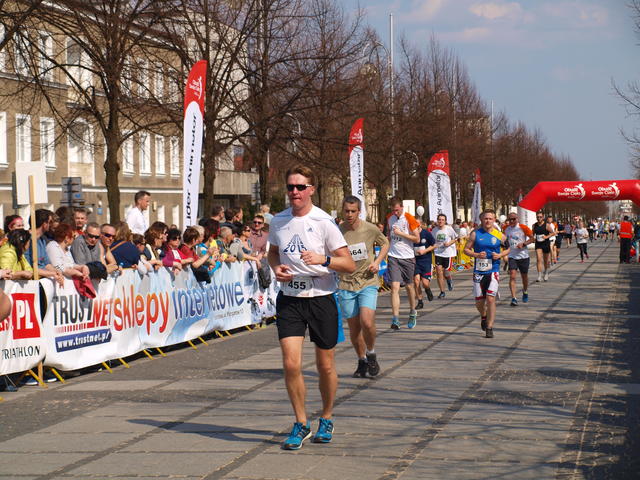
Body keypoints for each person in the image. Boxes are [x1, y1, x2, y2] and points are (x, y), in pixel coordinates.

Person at [267, 165, 355, 450]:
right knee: (291, 364)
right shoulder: (278, 221)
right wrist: (276, 268)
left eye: (300, 187)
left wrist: (323, 260)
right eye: (290, 187)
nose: (294, 192)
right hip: (290, 299)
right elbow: (272, 253)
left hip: (321, 298)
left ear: (311, 190)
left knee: (325, 366)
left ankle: (326, 417)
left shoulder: (324, 221)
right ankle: (301, 423)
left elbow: (349, 264)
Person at [337, 195, 389, 378]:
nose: (349, 214)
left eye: (353, 211)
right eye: (346, 211)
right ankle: (361, 360)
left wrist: (377, 262)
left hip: (367, 281)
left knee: (366, 321)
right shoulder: (338, 231)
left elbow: (385, 243)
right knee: (354, 328)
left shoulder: (370, 229)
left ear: (359, 211)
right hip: (346, 283)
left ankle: (371, 353)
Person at [464, 210, 509, 338]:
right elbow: (466, 250)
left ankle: (489, 326)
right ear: (482, 220)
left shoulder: (499, 235)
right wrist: (476, 254)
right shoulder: (475, 234)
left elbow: (509, 248)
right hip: (479, 271)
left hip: (493, 270)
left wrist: (500, 255)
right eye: (486, 218)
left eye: (490, 218)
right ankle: (483, 315)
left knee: (490, 298)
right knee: (479, 302)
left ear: (494, 220)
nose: (488, 221)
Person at [386, 197, 420, 329]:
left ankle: (412, 311)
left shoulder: (409, 218)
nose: (395, 212)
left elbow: (417, 239)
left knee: (409, 287)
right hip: (393, 256)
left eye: (397, 210)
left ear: (401, 207)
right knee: (394, 287)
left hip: (407, 257)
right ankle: (395, 319)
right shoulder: (390, 218)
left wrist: (401, 234)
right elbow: (389, 235)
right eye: (393, 210)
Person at [24, 209, 64, 285]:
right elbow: (29, 268)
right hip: (30, 283)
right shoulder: (27, 240)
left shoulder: (42, 240)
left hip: (42, 281)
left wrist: (57, 272)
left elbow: (46, 263)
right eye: (50, 222)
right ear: (44, 224)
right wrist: (52, 274)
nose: (52, 225)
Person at [504, 213, 534, 306]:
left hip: (523, 256)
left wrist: (524, 244)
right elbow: (504, 240)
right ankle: (514, 298)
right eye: (510, 219)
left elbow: (532, 238)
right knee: (512, 276)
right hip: (512, 256)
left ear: (517, 219)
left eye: (513, 219)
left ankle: (525, 290)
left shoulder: (523, 227)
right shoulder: (506, 228)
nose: (511, 221)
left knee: (524, 276)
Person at [431, 213, 458, 298]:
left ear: (445, 221)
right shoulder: (434, 230)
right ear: (437, 220)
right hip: (438, 253)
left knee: (446, 273)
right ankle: (442, 291)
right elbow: (432, 240)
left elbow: (456, 238)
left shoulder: (449, 229)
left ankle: (449, 279)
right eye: (439, 220)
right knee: (439, 272)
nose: (440, 221)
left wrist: (449, 243)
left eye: (442, 220)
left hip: (448, 253)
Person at [413, 221, 436, 309]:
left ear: (420, 225)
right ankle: (420, 302)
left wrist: (425, 251)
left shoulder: (426, 233)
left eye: (416, 224)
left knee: (425, 283)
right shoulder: (411, 234)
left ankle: (427, 289)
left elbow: (434, 245)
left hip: (426, 261)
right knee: (416, 281)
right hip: (415, 261)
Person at [532, 212, 553, 282]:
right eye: (537, 217)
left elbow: (553, 233)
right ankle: (539, 275)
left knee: (545, 260)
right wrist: (533, 238)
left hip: (545, 244)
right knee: (538, 259)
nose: (539, 218)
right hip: (538, 244)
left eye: (540, 217)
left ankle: (546, 272)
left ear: (543, 217)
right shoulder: (534, 225)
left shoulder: (546, 225)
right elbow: (533, 234)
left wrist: (546, 237)